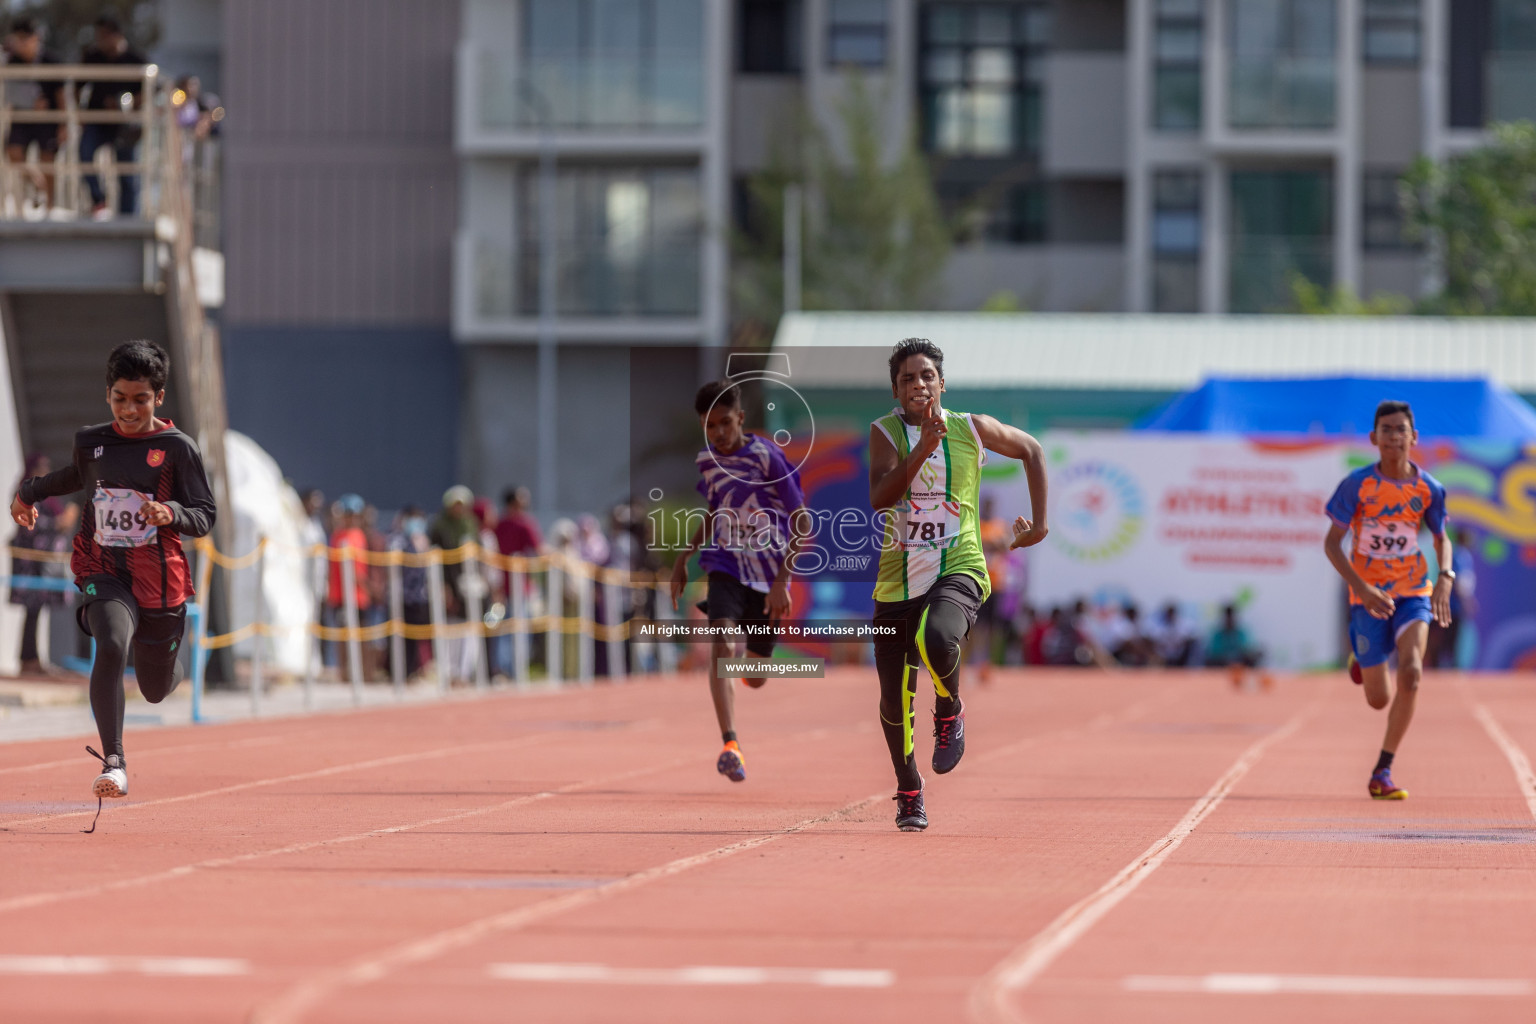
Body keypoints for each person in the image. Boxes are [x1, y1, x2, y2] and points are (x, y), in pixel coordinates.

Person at [9, 341, 215, 821]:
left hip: (160, 580)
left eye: (140, 399)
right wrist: (26, 492)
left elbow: (206, 515)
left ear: (158, 398)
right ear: (108, 395)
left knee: (155, 687)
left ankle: (169, 665)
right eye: (120, 398)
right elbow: (74, 477)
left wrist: (170, 512)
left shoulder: (178, 449)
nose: (128, 409)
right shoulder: (92, 441)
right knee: (112, 641)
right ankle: (115, 761)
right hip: (103, 569)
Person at [868, 339, 1048, 831]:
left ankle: (949, 707)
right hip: (896, 582)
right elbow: (881, 498)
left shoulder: (972, 428)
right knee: (892, 702)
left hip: (959, 565)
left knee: (939, 636)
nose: (918, 385)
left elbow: (1031, 449)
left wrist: (1039, 523)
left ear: (941, 383)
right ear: (896, 390)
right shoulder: (885, 433)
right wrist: (921, 449)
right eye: (908, 379)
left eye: (926, 376)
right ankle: (909, 790)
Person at [670, 380, 807, 784]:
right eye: (709, 426)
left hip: (768, 577)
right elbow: (716, 508)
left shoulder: (767, 459)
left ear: (741, 419)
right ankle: (730, 743)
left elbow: (802, 520)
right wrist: (685, 555)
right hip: (726, 564)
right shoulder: (708, 460)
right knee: (723, 643)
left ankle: (749, 670)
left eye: (725, 423)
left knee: (756, 677)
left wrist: (784, 578)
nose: (718, 434)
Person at [1325, 400, 1452, 801]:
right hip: (1369, 596)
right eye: (1387, 430)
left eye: (1401, 430)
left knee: (1412, 674)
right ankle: (1360, 658)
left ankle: (1383, 769)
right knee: (1378, 700)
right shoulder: (1357, 485)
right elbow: (1332, 544)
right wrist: (1361, 588)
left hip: (1413, 589)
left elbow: (1441, 538)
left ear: (1414, 437)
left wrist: (1446, 575)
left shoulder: (1429, 488)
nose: (1394, 436)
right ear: (1373, 439)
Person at [79, 14, 148, 218]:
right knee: (84, 154)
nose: (100, 40)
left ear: (117, 36)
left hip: (125, 125)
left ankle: (127, 215)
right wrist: (79, 114)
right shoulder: (92, 57)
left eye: (105, 35)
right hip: (97, 120)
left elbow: (147, 92)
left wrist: (124, 105)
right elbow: (78, 86)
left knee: (126, 172)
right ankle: (98, 200)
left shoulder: (136, 59)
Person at [3, 18, 63, 214]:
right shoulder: (11, 61)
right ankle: (38, 185)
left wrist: (63, 124)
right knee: (13, 153)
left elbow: (60, 95)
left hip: (47, 119)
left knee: (47, 160)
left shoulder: (51, 61)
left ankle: (50, 205)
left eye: (25, 38)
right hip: (22, 117)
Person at [1426, 526, 1475, 669]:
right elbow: (1459, 582)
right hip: (1452, 606)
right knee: (1448, 639)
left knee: (1450, 639)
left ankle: (1445, 666)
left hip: (1453, 605)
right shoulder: (1459, 555)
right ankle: (1442, 666)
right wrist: (1467, 601)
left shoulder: (1462, 555)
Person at [1152, 601, 1197, 667]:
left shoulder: (1181, 624)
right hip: (1164, 653)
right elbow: (1155, 638)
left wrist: (1179, 644)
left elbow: (1186, 637)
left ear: (1174, 613)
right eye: (1168, 613)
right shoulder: (1159, 624)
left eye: (1171, 613)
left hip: (1179, 652)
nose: (1170, 615)